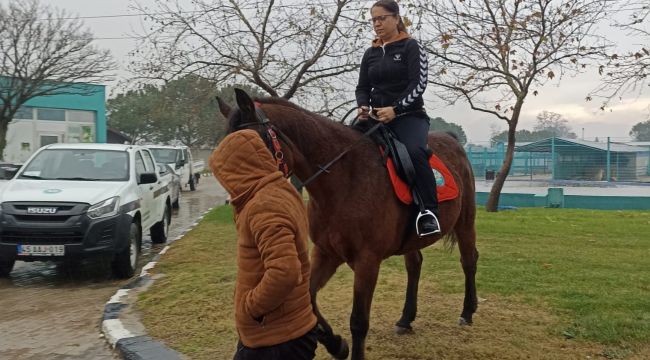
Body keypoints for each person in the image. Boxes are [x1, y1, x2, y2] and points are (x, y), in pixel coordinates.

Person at [209, 129, 318, 360]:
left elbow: (285, 271)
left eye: (226, 178)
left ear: (239, 171)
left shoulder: (264, 206)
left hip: (275, 341)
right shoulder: (281, 189)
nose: (227, 188)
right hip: (287, 330)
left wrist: (251, 308)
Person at [355, 0, 441, 237]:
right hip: (374, 118)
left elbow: (419, 84)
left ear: (396, 18)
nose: (377, 23)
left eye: (382, 18)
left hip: (409, 116)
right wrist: (363, 106)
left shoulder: (411, 47)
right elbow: (362, 87)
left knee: (414, 153)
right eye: (373, 19)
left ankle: (428, 212)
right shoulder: (370, 53)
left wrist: (396, 109)